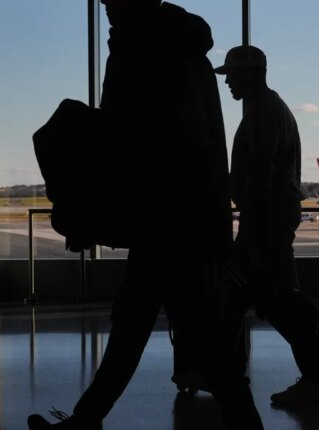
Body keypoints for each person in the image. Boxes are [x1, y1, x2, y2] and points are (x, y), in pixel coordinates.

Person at [28, 1, 262, 429]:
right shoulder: (183, 48)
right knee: (157, 330)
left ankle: (86, 420)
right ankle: (86, 419)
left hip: (165, 220)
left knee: (150, 331)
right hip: (182, 219)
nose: (103, 5)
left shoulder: (141, 48)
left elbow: (129, 140)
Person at [214, 45, 319, 404]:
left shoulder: (264, 113)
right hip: (270, 220)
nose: (228, 82)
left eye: (231, 74)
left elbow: (261, 171)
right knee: (257, 299)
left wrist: (250, 213)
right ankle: (227, 375)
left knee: (273, 303)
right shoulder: (269, 108)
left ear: (252, 73)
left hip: (264, 222)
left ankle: (315, 378)